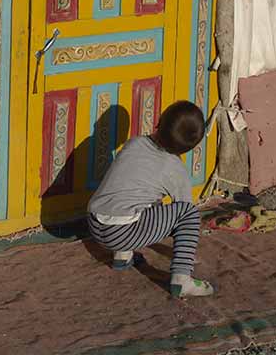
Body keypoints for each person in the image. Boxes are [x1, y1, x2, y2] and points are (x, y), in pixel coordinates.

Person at [87, 100, 214, 298]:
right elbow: (184, 211)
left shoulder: (135, 143)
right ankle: (182, 279)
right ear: (190, 148)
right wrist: (185, 249)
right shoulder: (175, 170)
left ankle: (122, 255)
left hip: (94, 222)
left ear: (159, 121)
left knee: (139, 199)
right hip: (121, 233)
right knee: (188, 213)